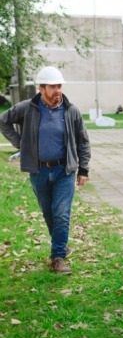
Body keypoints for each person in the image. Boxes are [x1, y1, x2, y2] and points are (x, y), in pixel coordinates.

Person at [0, 66, 91, 275]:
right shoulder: (26, 108)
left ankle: (57, 258)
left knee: (61, 215)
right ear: (41, 89)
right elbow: (3, 121)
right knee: (49, 214)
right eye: (52, 87)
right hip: (39, 171)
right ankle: (61, 245)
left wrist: (83, 169)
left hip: (64, 171)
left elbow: (83, 141)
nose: (57, 90)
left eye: (59, 86)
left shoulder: (71, 110)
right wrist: (20, 143)